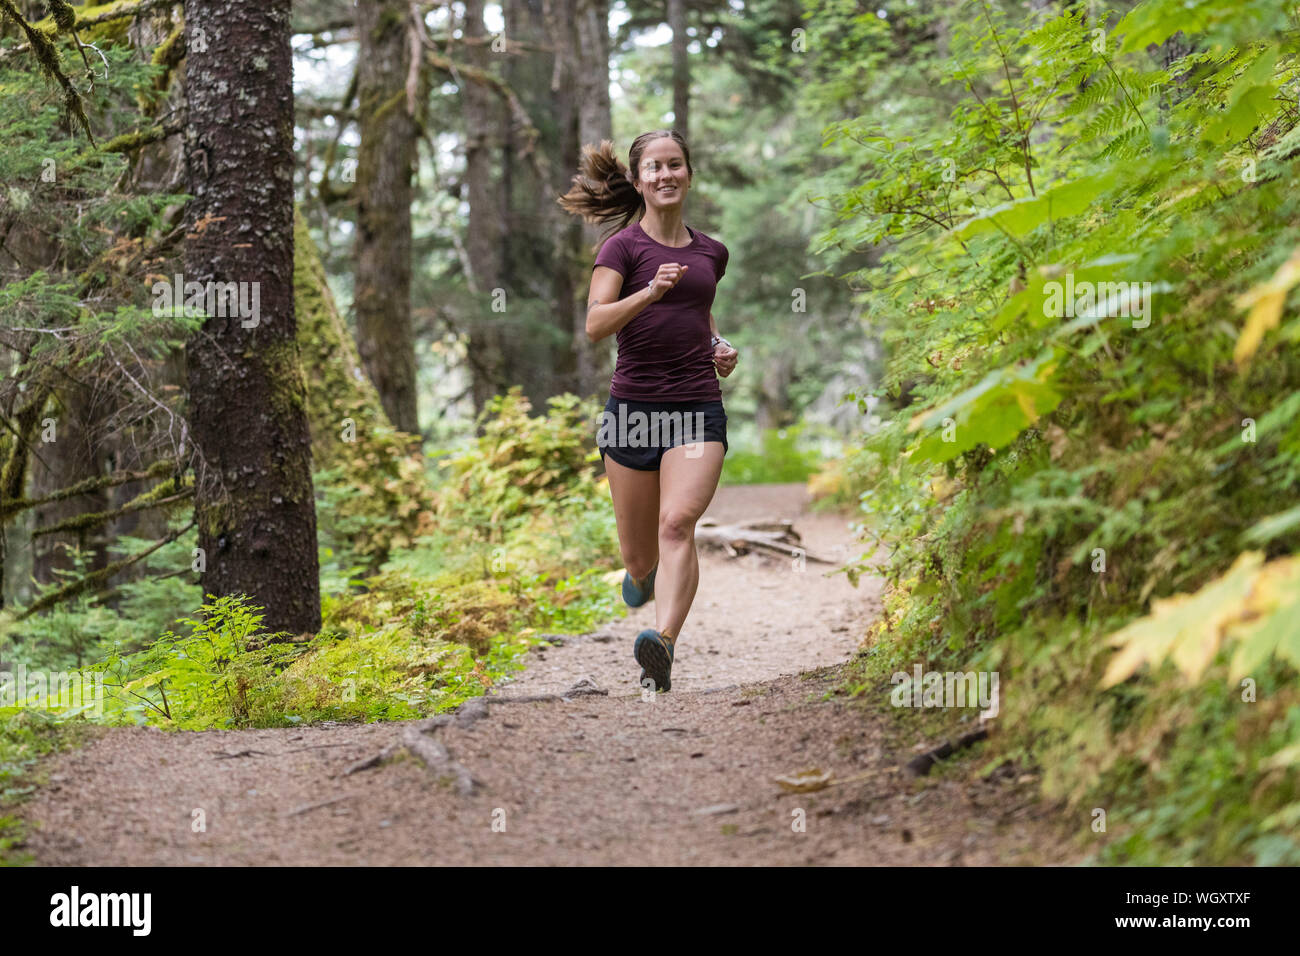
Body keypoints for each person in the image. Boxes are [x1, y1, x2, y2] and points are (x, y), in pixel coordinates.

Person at [556, 130, 739, 693]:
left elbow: (697, 313)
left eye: (675, 165)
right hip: (633, 412)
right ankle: (640, 577)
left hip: (695, 408)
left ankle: (661, 645)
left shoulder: (712, 251)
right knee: (639, 558)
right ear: (639, 182)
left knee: (677, 524)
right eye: (655, 168)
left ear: (688, 173)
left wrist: (717, 346)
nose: (666, 175)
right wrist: (647, 295)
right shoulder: (622, 249)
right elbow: (594, 324)